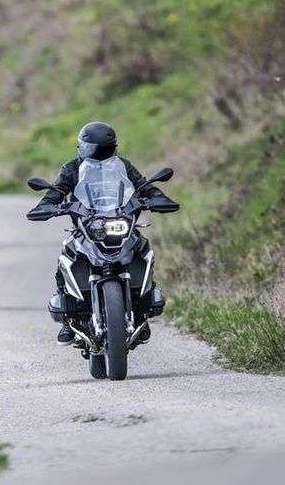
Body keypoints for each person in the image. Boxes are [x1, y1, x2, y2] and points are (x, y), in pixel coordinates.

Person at [27, 121, 179, 345]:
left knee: (142, 248)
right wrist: (47, 206)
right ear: (81, 148)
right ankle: (67, 319)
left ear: (113, 148)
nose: (97, 154)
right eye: (92, 149)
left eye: (103, 149)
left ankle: (144, 306)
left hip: (120, 222)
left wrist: (157, 199)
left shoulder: (123, 166)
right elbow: (56, 192)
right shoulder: (71, 168)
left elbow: (144, 185)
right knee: (67, 254)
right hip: (86, 227)